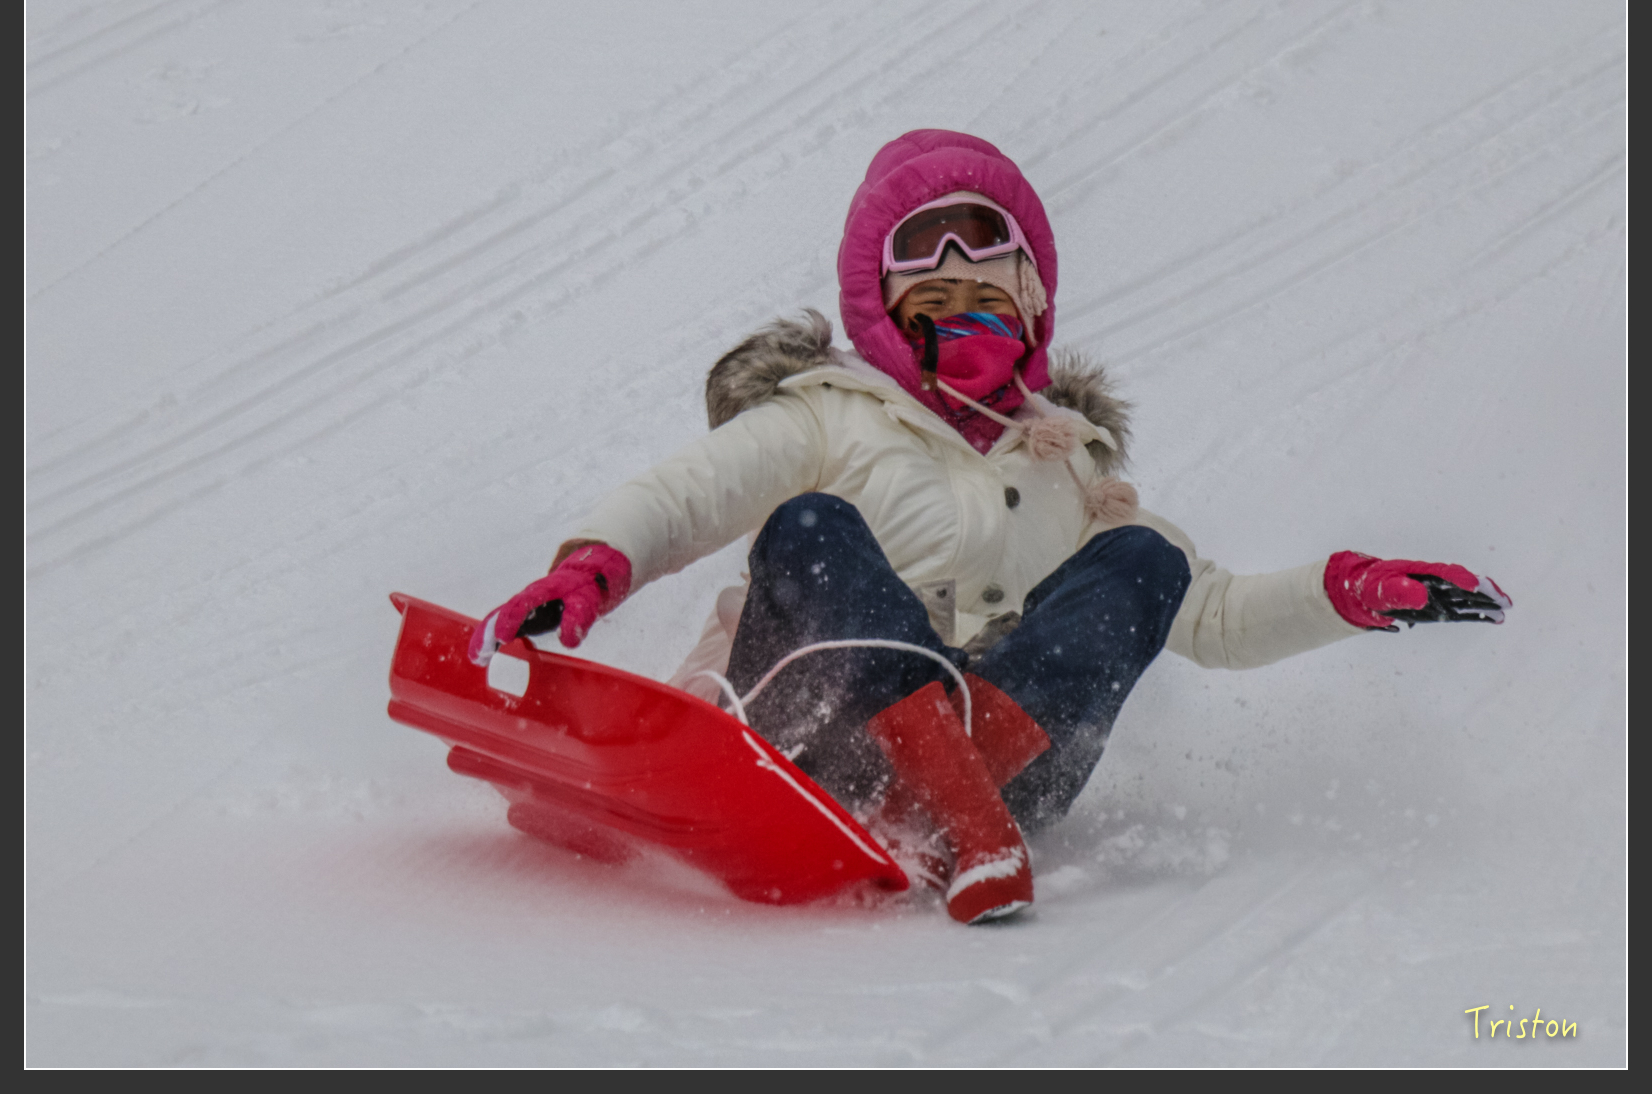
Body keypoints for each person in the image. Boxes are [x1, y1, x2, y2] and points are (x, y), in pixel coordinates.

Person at [467, 130, 1510, 925]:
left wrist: (1343, 591)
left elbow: (1214, 617)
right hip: (815, 730)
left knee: (1136, 557)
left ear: (1028, 307)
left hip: (1009, 775)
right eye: (933, 287)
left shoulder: (1069, 467)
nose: (962, 304)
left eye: (986, 288)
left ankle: (955, 798)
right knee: (812, 521)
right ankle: (944, 807)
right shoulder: (828, 412)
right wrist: (596, 563)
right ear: (883, 306)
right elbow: (687, 491)